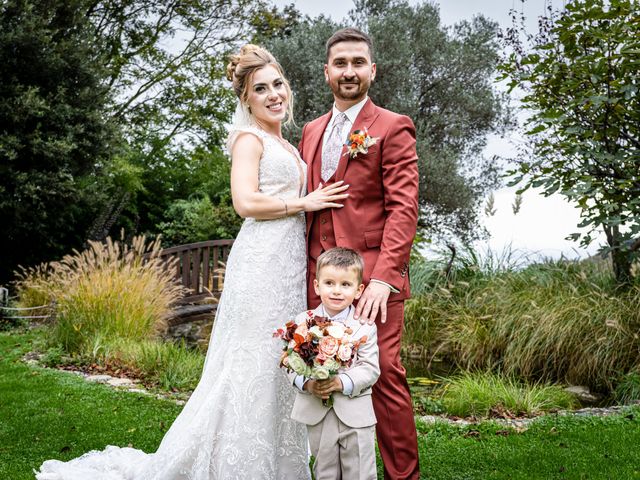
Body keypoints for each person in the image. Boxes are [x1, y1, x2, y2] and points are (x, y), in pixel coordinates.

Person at [36, 44, 349, 480]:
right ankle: (231, 466)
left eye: (278, 84)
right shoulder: (249, 139)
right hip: (261, 262)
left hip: (289, 263)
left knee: (276, 361)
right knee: (249, 362)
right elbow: (244, 202)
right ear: (246, 99)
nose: (274, 94)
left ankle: (276, 466)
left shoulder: (285, 143)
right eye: (261, 89)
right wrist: (305, 202)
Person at [298, 28, 421, 479]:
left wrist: (384, 280)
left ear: (372, 69)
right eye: (340, 63)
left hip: (372, 282)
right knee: (317, 370)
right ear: (326, 71)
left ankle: (403, 476)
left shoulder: (392, 126)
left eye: (357, 63)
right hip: (318, 281)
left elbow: (403, 209)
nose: (349, 71)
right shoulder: (310, 131)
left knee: (384, 373)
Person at [289, 247, 379, 480]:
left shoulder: (365, 326)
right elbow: (291, 363)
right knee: (325, 472)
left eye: (345, 285)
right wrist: (308, 384)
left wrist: (341, 382)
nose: (337, 291)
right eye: (329, 283)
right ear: (317, 286)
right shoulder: (303, 322)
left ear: (359, 290)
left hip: (356, 413)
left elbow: (370, 369)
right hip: (318, 411)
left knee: (360, 472)